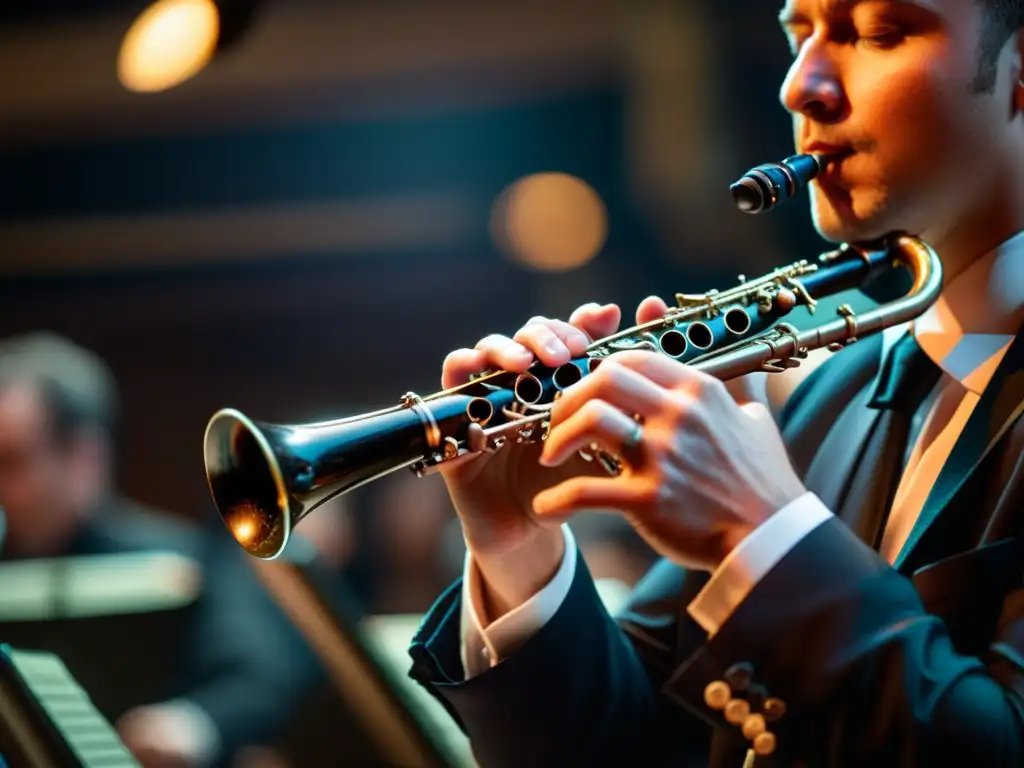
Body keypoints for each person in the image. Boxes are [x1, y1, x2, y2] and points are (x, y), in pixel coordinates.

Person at [406, 0, 1024, 765]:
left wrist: (765, 531)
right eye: (800, 34)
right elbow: (633, 750)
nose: (802, 86)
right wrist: (517, 548)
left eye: (876, 32)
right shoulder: (835, 391)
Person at [0, 332, 322, 768]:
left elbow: (266, 669)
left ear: (84, 457)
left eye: (13, 462)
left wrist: (195, 724)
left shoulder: (184, 558)